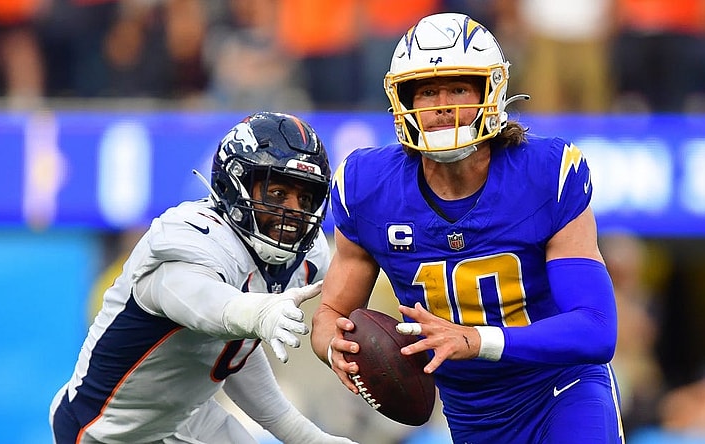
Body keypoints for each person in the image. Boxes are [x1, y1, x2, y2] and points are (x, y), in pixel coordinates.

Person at [310, 12, 624, 444]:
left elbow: (595, 329)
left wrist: (477, 340)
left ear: (490, 91)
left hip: (559, 390)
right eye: (428, 91)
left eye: (458, 88)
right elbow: (331, 316)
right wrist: (334, 348)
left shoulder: (545, 173)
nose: (442, 106)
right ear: (404, 101)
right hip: (471, 411)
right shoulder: (367, 186)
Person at [50, 111, 355, 444]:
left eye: (306, 198)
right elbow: (206, 304)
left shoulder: (305, 259)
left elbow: (231, 352)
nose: (294, 211)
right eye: (278, 193)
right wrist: (258, 313)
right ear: (235, 184)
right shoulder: (192, 236)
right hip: (102, 429)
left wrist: (305, 437)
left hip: (183, 416)